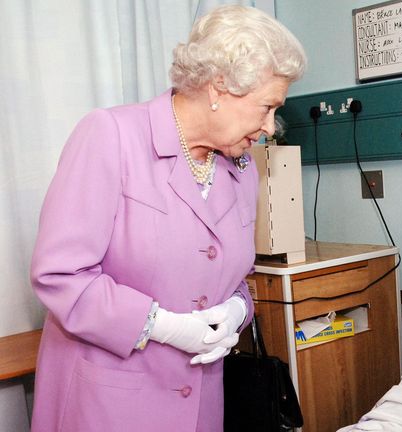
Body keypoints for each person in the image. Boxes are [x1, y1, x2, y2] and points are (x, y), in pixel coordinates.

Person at [29, 5, 306, 431]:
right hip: (110, 404)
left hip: (200, 406)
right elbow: (60, 276)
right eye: (267, 107)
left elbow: (235, 278)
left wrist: (235, 311)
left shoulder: (241, 168)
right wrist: (162, 326)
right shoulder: (111, 136)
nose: (270, 126)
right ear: (219, 87)